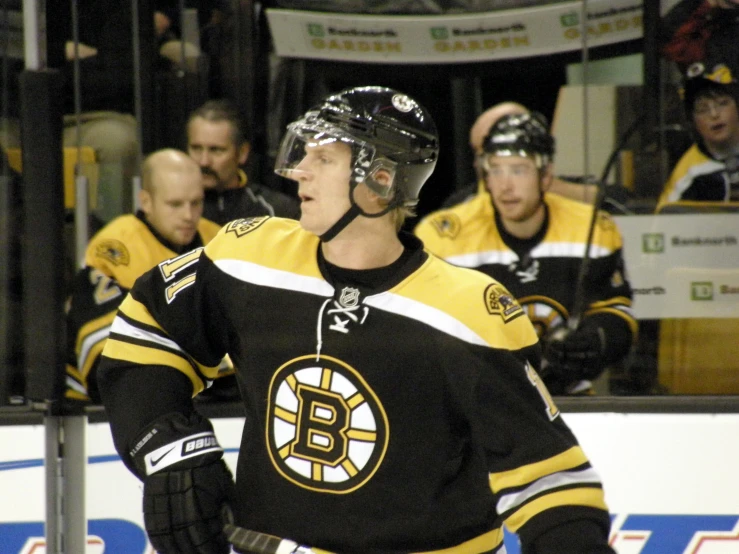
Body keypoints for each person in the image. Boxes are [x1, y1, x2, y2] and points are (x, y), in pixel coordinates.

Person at [97, 86, 616, 554]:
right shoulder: (249, 254)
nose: (300, 170)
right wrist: (171, 449)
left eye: (323, 158)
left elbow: (549, 483)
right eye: (305, 153)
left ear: (381, 179)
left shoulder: (466, 311)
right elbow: (147, 329)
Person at [415, 112, 637, 395]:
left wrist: (597, 340)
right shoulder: (445, 236)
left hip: (569, 400)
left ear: (546, 176)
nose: (505, 186)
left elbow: (615, 309)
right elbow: (422, 327)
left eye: (518, 170)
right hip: (478, 401)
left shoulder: (592, 228)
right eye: (496, 170)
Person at [65, 149, 222, 403]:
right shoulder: (115, 247)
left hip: (198, 395)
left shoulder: (219, 239)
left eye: (196, 202)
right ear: (146, 201)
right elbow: (111, 360)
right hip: (105, 410)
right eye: (175, 204)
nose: (188, 215)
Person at [443, 101, 598, 209]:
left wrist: (543, 185)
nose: (478, 164)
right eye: (477, 153)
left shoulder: (568, 186)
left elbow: (616, 199)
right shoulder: (461, 203)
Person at [186, 99, 301, 224]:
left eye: (216, 150)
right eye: (196, 148)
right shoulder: (169, 210)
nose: (204, 162)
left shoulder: (279, 212)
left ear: (242, 153)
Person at [656, 62, 739, 211]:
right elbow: (663, 228)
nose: (714, 115)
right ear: (692, 121)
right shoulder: (689, 176)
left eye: (722, 103)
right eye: (702, 109)